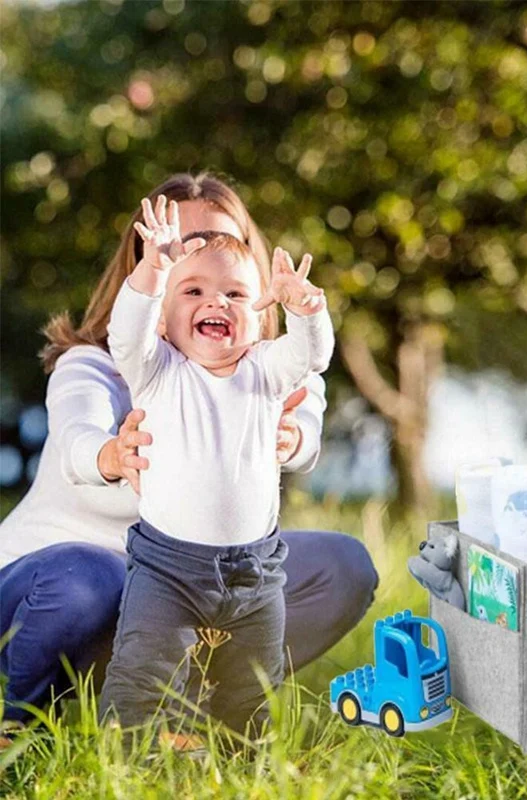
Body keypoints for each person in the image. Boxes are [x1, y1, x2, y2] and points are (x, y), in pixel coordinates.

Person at [0, 174, 379, 725]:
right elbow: (76, 440)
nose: (206, 267)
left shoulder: (270, 370)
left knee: (339, 567)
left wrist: (292, 438)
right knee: (92, 576)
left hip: (185, 589)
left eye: (224, 251)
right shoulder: (100, 365)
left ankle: (192, 708)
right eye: (182, 252)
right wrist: (111, 455)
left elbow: (307, 421)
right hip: (52, 589)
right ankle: (16, 713)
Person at [99, 195, 334, 734]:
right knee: (143, 676)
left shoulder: (265, 369)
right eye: (194, 291)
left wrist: (307, 311)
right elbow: (125, 334)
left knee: (252, 689)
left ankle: (243, 764)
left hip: (257, 570)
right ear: (164, 319)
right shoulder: (158, 370)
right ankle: (124, 760)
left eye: (235, 294)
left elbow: (312, 358)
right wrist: (153, 269)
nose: (217, 303)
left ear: (260, 314)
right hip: (168, 569)